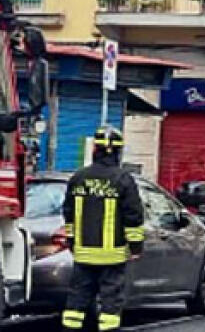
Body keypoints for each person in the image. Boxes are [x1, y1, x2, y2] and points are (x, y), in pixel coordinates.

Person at [61, 126, 145, 332]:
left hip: (83, 254)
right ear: (118, 152)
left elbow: (68, 212)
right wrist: (135, 247)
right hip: (112, 256)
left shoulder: (79, 178)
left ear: (94, 150)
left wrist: (71, 241)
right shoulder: (123, 179)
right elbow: (133, 215)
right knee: (110, 303)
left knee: (77, 301)